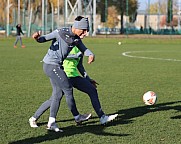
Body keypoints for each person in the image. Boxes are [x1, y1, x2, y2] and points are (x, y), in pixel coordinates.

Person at [29, 16, 95, 132]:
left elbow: (84, 49)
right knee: (68, 89)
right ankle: (76, 117)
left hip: (57, 66)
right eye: (84, 30)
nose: (85, 33)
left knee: (57, 95)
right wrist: (37, 38)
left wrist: (90, 54)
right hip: (51, 66)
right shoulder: (60, 32)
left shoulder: (76, 39)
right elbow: (43, 39)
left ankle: (36, 118)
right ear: (77, 27)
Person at [63, 46, 118, 124]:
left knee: (92, 90)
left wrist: (88, 79)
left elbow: (80, 66)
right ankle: (44, 118)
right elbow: (61, 55)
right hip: (62, 76)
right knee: (55, 99)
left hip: (74, 76)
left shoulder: (79, 47)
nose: (84, 34)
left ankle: (102, 117)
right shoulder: (65, 43)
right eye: (83, 32)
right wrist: (77, 55)